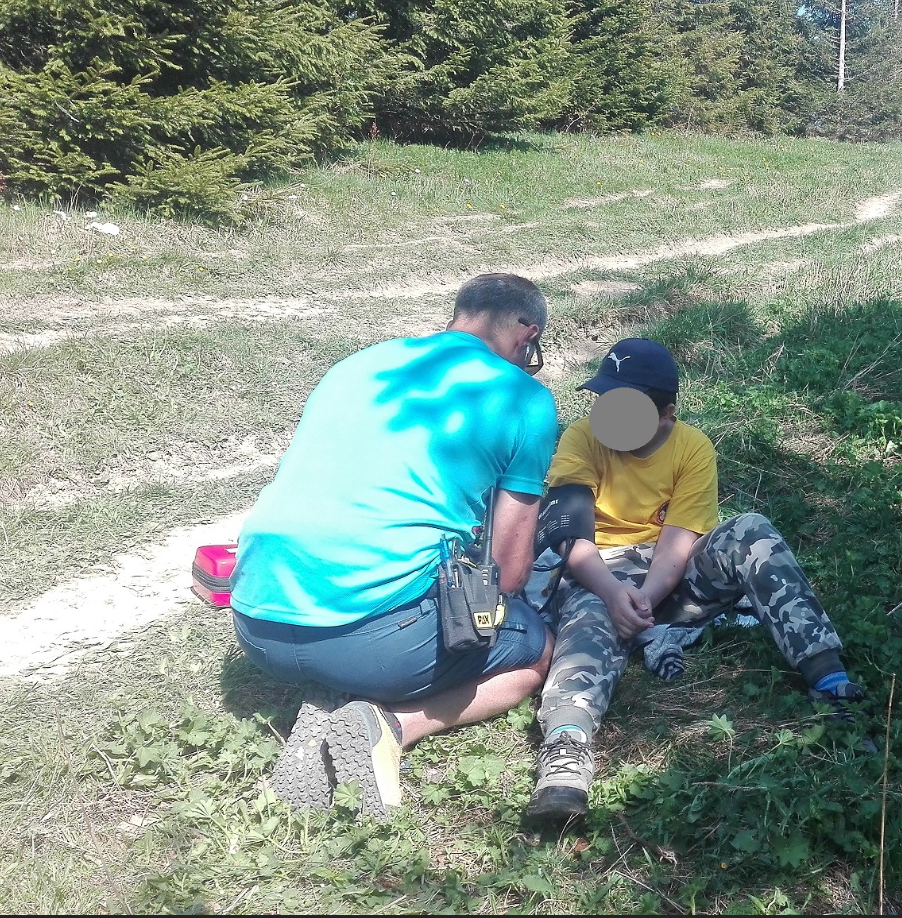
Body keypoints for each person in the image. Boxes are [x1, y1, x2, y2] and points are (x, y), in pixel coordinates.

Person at [228, 273, 559, 818]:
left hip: (257, 627)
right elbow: (509, 569)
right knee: (534, 648)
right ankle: (391, 725)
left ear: (460, 315)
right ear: (528, 334)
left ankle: (329, 696)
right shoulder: (523, 398)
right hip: (372, 646)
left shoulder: (358, 365)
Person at [524, 336, 873, 822]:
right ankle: (566, 754)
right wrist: (613, 593)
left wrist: (643, 600)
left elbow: (676, 545)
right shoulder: (582, 438)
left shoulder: (692, 448)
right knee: (586, 628)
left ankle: (828, 679)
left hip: (671, 578)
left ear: (665, 413)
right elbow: (571, 536)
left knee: (752, 530)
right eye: (604, 400)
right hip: (597, 571)